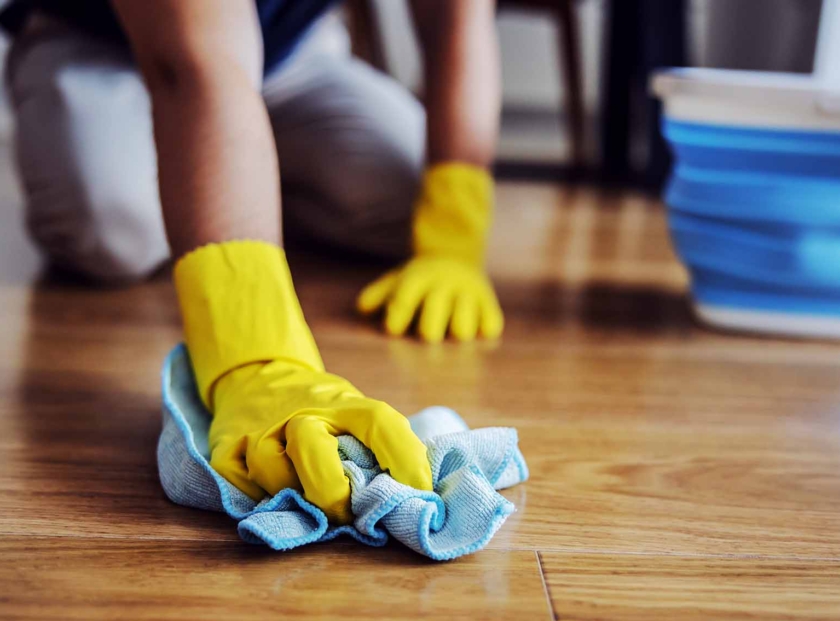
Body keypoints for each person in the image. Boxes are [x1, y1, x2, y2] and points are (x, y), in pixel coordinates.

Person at [1, 0, 505, 524]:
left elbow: (459, 15)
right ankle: (228, 174)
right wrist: (258, 360)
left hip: (288, 55)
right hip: (110, 47)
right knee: (112, 233)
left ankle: (240, 169)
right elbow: (192, 60)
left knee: (406, 199)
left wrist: (453, 232)